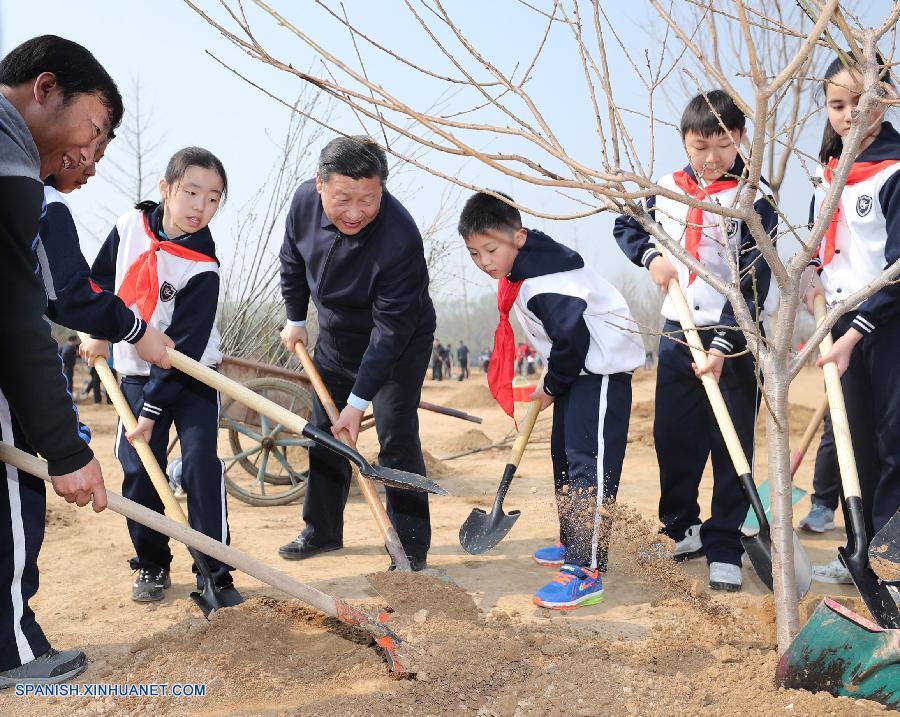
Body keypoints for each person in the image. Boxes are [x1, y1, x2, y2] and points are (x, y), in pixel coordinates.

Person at [613, 89, 778, 592]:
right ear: (684, 142)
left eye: (722, 146)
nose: (710, 159)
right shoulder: (665, 188)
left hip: (736, 336)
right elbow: (627, 224)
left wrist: (725, 345)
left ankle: (725, 540)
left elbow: (754, 278)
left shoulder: (756, 197)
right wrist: (650, 258)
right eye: (698, 146)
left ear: (741, 139)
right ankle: (681, 526)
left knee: (731, 444)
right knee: (674, 437)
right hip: (677, 332)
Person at [460, 190, 644, 610]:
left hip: (599, 374)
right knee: (564, 458)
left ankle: (587, 569)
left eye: (491, 249)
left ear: (519, 238)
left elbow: (572, 339)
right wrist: (555, 382)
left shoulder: (547, 280)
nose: (485, 261)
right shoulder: (525, 272)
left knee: (588, 467)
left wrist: (551, 384)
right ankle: (572, 542)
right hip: (576, 374)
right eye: (474, 253)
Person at [0, 35, 117, 688]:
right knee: (15, 497)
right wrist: (67, 450)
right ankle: (12, 651)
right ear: (45, 89)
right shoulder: (14, 158)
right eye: (93, 133)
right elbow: (24, 315)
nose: (88, 155)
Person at [85, 147, 240, 606]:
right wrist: (97, 331)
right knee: (138, 469)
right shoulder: (128, 225)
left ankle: (214, 568)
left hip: (191, 377)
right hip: (132, 372)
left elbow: (183, 348)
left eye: (214, 199)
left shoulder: (203, 267)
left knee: (200, 466)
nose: (201, 207)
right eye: (192, 192)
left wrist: (153, 410)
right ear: (166, 188)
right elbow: (98, 281)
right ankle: (151, 563)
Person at [278, 135, 436, 571]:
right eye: (343, 198)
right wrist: (295, 319)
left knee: (396, 435)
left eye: (368, 199)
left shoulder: (399, 236)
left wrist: (358, 402)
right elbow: (292, 259)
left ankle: (409, 545)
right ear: (319, 184)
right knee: (324, 433)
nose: (354, 212)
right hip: (334, 336)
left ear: (382, 189)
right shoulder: (303, 204)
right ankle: (322, 531)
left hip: (396, 346)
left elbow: (390, 331)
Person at [803, 51, 900, 584]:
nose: (847, 115)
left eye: (860, 101)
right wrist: (811, 275)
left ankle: (893, 563)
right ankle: (859, 550)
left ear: (886, 99)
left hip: (888, 325)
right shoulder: (829, 171)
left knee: (893, 443)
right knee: (851, 441)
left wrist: (860, 330)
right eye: (837, 104)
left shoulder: (894, 168)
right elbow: (818, 239)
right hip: (842, 321)